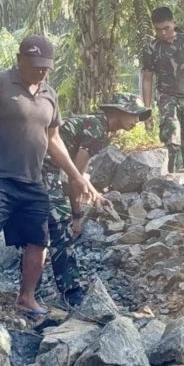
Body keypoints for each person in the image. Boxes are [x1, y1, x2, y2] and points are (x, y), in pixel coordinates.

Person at [5, 93, 150, 307]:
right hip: (39, 170)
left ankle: (30, 293)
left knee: (36, 231)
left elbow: (76, 172)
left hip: (24, 167)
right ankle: (70, 291)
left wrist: (95, 194)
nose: (137, 121)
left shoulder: (92, 123)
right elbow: (74, 180)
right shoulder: (97, 130)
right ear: (117, 111)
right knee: (61, 228)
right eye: (134, 114)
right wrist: (76, 216)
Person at [0, 35, 97, 319]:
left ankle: (26, 298)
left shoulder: (49, 94)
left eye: (45, 67)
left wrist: (76, 176)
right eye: (34, 65)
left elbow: (53, 139)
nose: (41, 71)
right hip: (2, 177)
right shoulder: (3, 85)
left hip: (33, 180)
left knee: (38, 240)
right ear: (19, 61)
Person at [141, 6, 184, 173]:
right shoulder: (151, 48)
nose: (163, 33)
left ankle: (182, 167)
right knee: (172, 135)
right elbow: (147, 79)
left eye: (167, 28)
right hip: (166, 97)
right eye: (158, 30)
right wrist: (147, 109)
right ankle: (172, 174)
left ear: (174, 23)